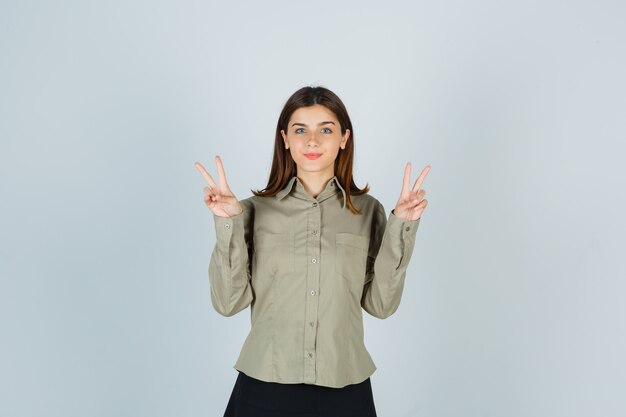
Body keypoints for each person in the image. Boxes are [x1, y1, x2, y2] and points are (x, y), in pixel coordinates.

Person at [195, 86, 430, 417]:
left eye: (326, 129)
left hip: (344, 385)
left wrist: (403, 225)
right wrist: (228, 223)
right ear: (285, 139)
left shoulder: (369, 212)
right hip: (265, 383)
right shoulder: (251, 211)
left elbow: (381, 305)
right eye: (300, 129)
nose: (313, 141)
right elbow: (227, 302)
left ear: (344, 138)